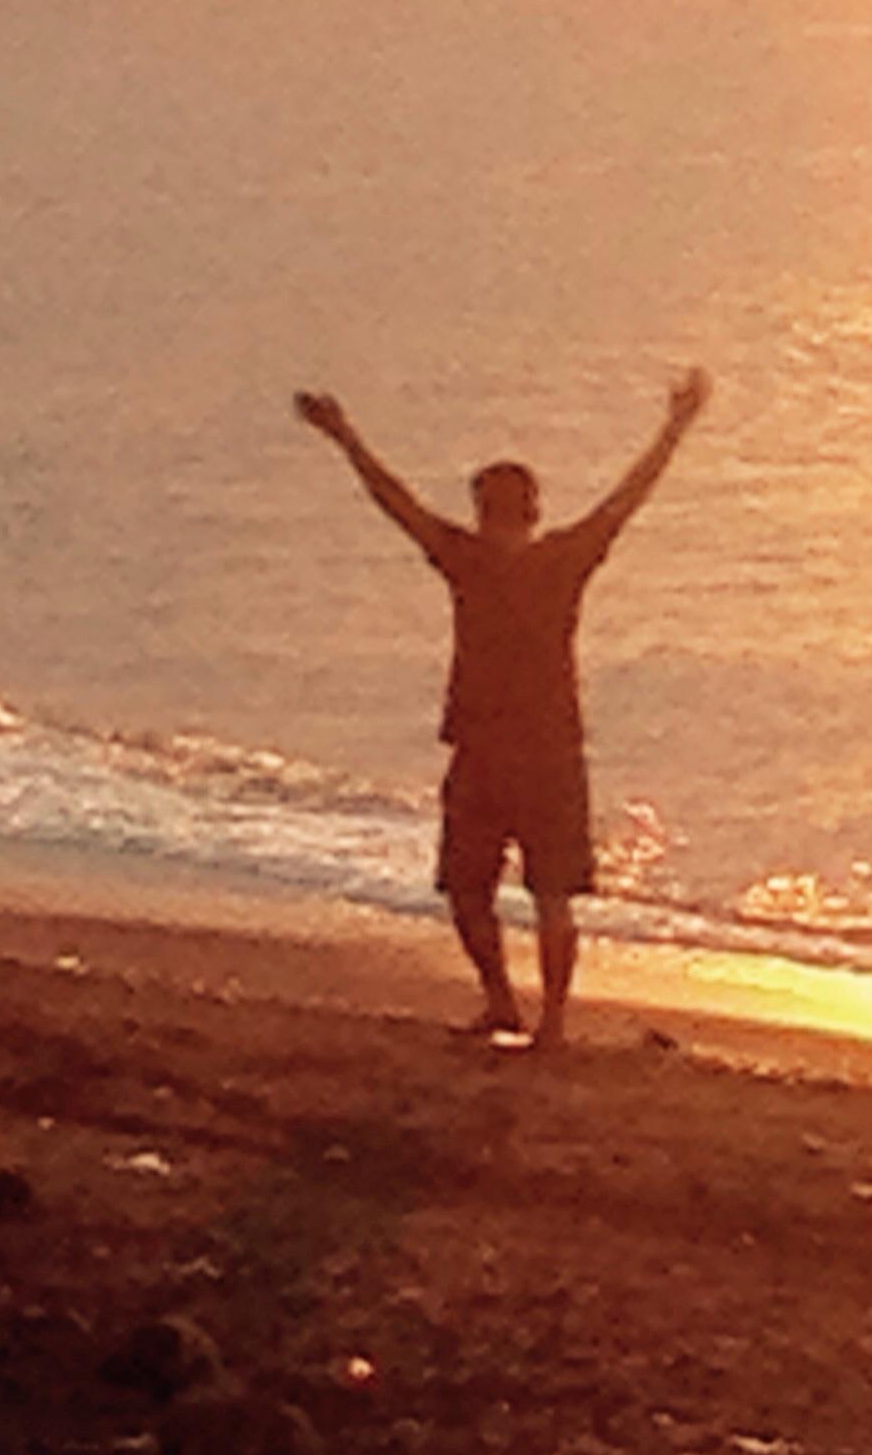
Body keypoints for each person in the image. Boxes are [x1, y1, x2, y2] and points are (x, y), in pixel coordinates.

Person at [293, 370, 711, 1050]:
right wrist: (676, 426)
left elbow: (395, 502)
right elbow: (627, 500)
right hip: (546, 752)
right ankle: (545, 1021)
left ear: (483, 510)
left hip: (491, 751)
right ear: (534, 509)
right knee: (549, 896)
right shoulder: (557, 559)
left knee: (469, 889)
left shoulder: (469, 559)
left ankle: (505, 1002)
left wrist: (345, 438)